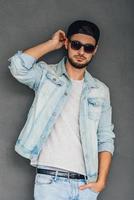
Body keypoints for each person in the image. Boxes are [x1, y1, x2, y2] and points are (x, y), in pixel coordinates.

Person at [8, 20, 115, 200]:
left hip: (86, 185)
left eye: (88, 48)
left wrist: (101, 181)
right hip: (50, 181)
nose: (81, 52)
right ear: (67, 43)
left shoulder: (100, 90)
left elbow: (105, 137)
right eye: (76, 45)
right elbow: (18, 67)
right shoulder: (47, 75)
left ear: (95, 50)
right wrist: (51, 44)